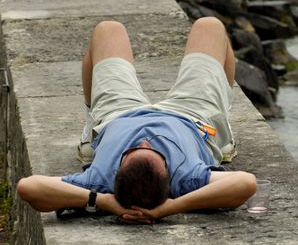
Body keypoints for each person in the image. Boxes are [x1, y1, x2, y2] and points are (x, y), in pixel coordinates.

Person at [16, 17, 257, 223]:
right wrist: (170, 208)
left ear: (117, 172)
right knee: (210, 26)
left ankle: (91, 127)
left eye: (132, 151)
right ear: (168, 175)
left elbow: (28, 187)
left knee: (107, 30)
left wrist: (102, 201)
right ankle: (224, 132)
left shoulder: (100, 179)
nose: (145, 141)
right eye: (154, 152)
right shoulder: (187, 177)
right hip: (190, 117)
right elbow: (246, 183)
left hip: (116, 117)